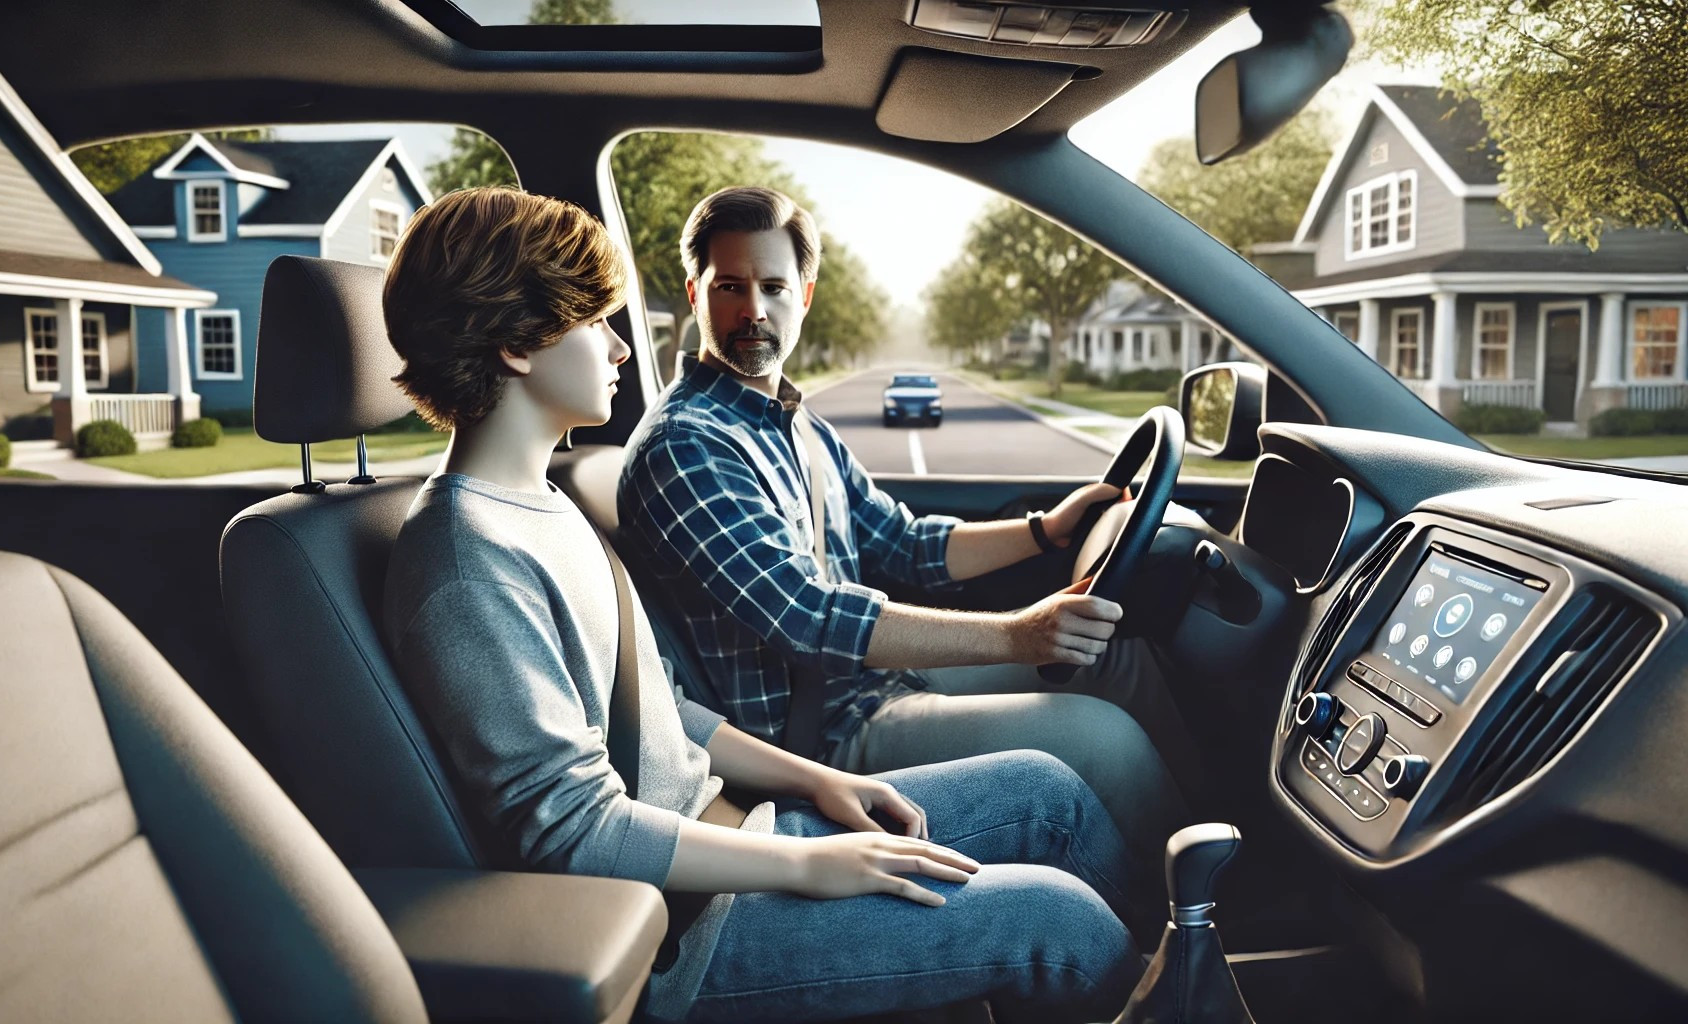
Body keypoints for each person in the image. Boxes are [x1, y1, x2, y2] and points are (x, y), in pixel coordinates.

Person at [379, 185, 1146, 1022]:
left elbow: (664, 714)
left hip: (733, 833)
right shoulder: (467, 563)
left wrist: (820, 788)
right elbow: (572, 831)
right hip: (679, 927)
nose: (620, 348)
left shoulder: (540, 509)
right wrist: (808, 865)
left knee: (1047, 793)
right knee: (1057, 920)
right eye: (595, 320)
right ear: (519, 344)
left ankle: (1192, 965)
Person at [617, 186, 1194, 872]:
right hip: (820, 736)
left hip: (875, 684)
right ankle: (1192, 916)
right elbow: (807, 617)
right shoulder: (686, 447)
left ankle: (1228, 856)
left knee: (1121, 665)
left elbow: (906, 544)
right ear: (694, 293)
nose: (753, 310)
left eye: (773, 286)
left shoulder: (796, 423)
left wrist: (1045, 532)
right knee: (1106, 737)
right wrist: (1020, 632)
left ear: (804, 295)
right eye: (731, 287)